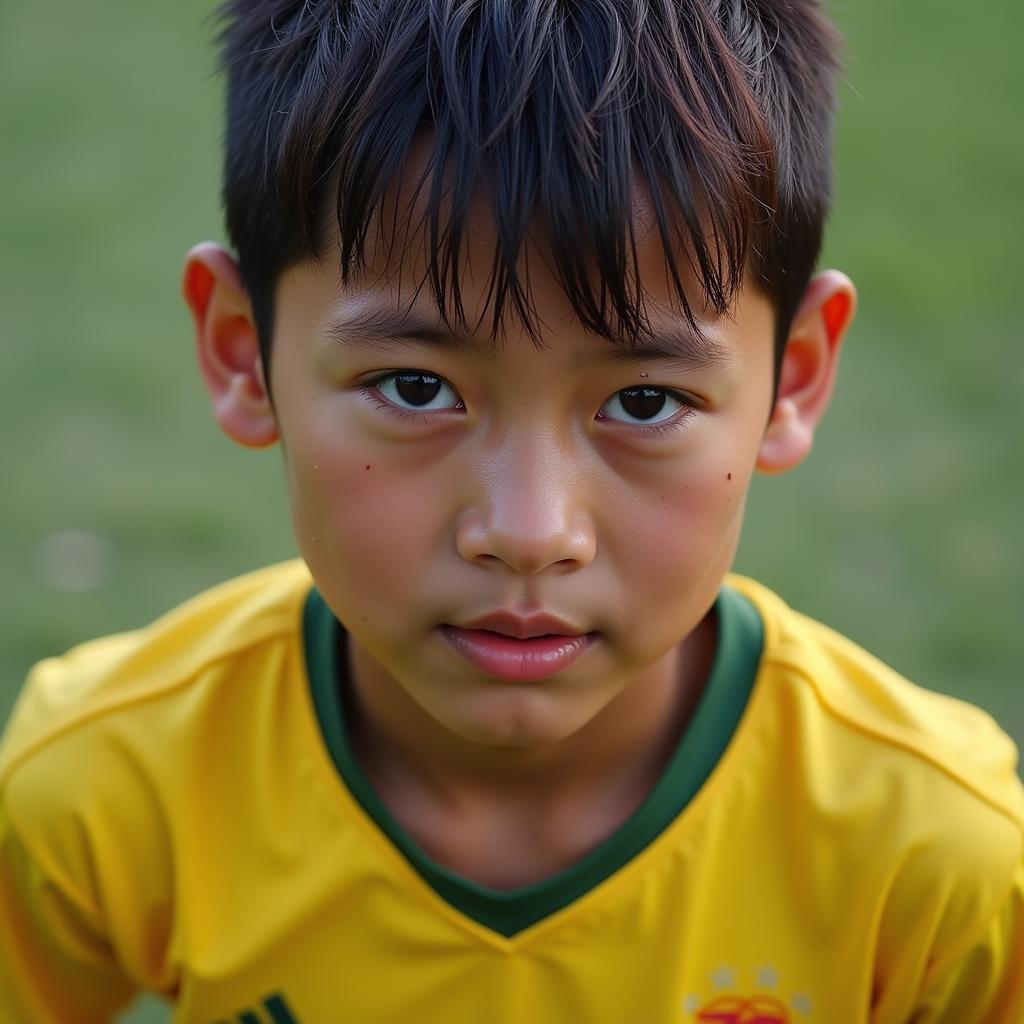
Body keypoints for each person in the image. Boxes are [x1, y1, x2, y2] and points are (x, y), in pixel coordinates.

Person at [2, 0, 1022, 1020]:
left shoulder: (939, 866)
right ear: (241, 350)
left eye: (643, 401)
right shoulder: (103, 785)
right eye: (412, 387)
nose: (530, 530)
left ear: (790, 379)